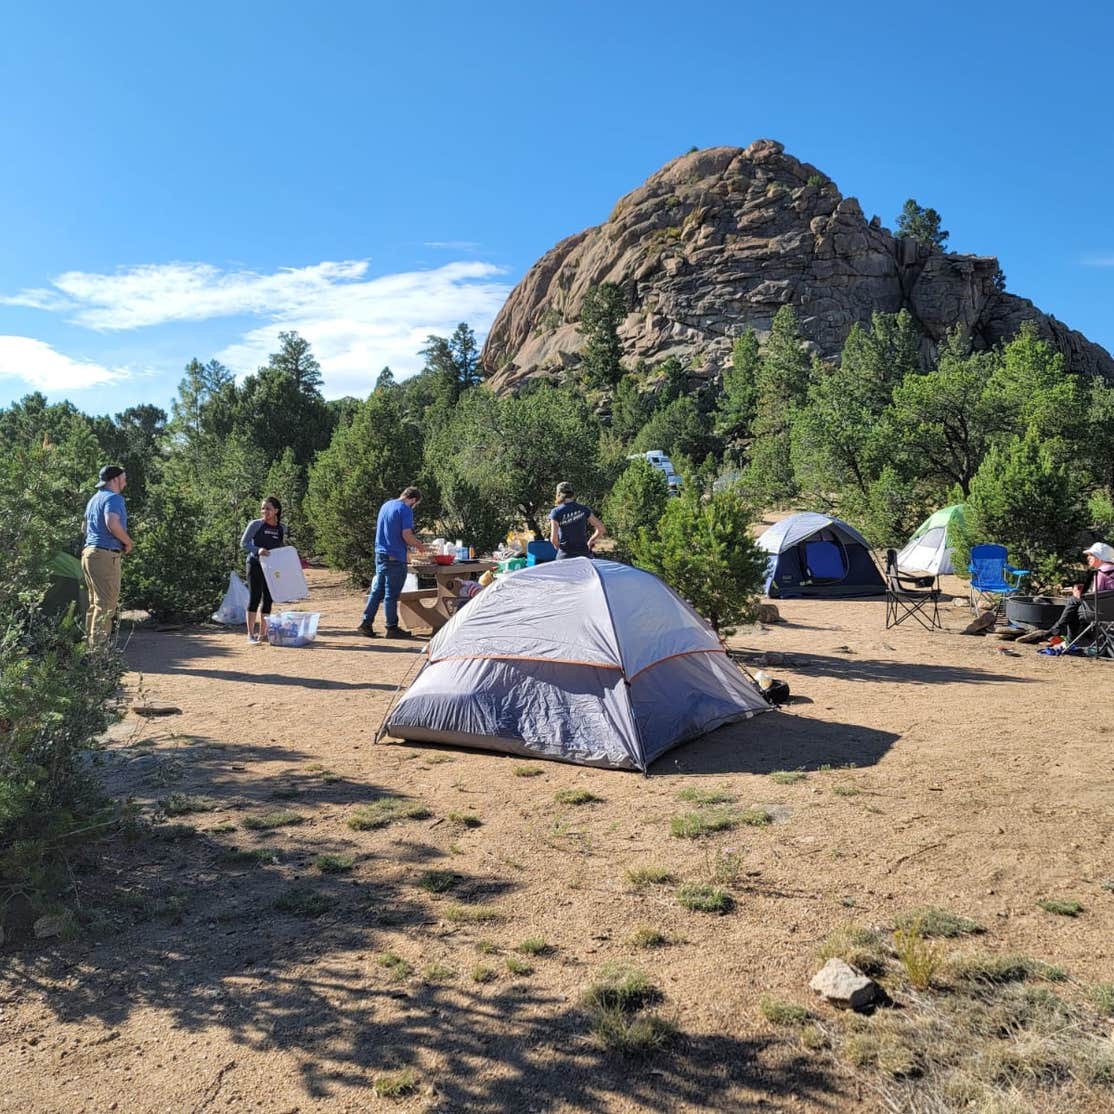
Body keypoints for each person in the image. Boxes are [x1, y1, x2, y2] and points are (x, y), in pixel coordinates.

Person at [357, 485, 429, 639]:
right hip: (395, 556)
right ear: (413, 500)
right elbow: (407, 535)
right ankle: (392, 627)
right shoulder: (405, 509)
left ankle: (366, 623)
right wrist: (420, 546)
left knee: (377, 591)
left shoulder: (386, 505)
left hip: (380, 553)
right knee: (391, 594)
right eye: (415, 504)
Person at [82, 465, 133, 649]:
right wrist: (127, 542)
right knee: (106, 605)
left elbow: (84, 528)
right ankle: (99, 655)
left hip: (89, 553)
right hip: (105, 555)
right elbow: (112, 523)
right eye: (124, 478)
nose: (125, 482)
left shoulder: (94, 499)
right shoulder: (114, 498)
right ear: (115, 479)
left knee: (95, 604)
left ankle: (90, 649)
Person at [1028, 541, 1114, 644]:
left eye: (1091, 555)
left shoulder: (1100, 574)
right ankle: (1060, 633)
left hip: (1100, 612)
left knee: (1074, 605)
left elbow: (1095, 599)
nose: (1088, 558)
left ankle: (1062, 635)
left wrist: (1079, 596)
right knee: (1074, 607)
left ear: (1099, 557)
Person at [241, 497, 286, 644]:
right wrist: (257, 549)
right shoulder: (256, 524)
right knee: (254, 598)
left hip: (271, 568)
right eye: (263, 508)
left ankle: (263, 634)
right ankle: (250, 634)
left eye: (268, 509)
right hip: (255, 565)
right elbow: (244, 543)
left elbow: (279, 547)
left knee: (268, 599)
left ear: (276, 511)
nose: (264, 511)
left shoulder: (281, 528)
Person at [549, 481, 605, 560]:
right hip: (583, 555)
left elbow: (553, 539)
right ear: (572, 494)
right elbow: (601, 529)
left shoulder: (556, 512)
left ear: (558, 494)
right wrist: (590, 541)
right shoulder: (583, 509)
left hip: (565, 555)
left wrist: (558, 548)